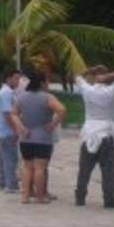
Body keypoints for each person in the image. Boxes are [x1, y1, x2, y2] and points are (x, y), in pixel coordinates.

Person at [73, 65, 114, 209]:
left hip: (89, 132)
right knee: (108, 170)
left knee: (84, 168)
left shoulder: (87, 89)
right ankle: (109, 199)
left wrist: (90, 70)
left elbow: (76, 75)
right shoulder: (112, 90)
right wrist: (108, 76)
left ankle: (80, 196)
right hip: (106, 133)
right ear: (107, 77)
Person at [10, 71, 66, 204]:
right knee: (40, 168)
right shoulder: (47, 97)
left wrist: (21, 127)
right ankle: (40, 197)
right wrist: (53, 124)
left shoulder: (22, 97)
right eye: (47, 82)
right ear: (41, 83)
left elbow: (14, 114)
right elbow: (62, 110)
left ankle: (24, 196)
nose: (48, 84)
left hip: (26, 138)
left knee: (27, 167)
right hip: (43, 138)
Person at [0, 69, 21, 192]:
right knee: (11, 157)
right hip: (8, 130)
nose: (18, 81)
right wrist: (15, 128)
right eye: (15, 78)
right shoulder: (7, 93)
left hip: (4, 130)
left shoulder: (7, 91)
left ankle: (2, 180)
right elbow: (7, 113)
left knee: (3, 156)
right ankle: (11, 184)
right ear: (8, 79)